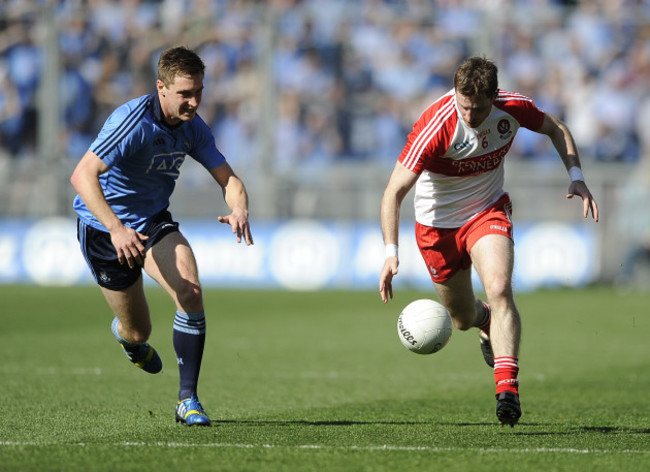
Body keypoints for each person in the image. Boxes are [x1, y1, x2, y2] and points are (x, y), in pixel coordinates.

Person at [378, 56, 599, 427]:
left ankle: (507, 390)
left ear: (493, 98)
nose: (470, 114)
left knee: (499, 288)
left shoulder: (512, 107)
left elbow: (556, 128)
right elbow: (392, 193)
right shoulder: (436, 125)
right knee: (461, 319)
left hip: (486, 211)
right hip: (437, 227)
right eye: (464, 105)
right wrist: (390, 253)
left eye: (478, 108)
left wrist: (576, 174)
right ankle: (484, 322)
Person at [70, 46, 254, 427]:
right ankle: (129, 341)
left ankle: (188, 400)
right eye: (185, 93)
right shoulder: (131, 120)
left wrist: (239, 207)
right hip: (105, 229)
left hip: (152, 222)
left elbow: (229, 179)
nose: (194, 101)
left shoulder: (194, 128)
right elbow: (83, 176)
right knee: (139, 330)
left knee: (191, 291)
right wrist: (116, 229)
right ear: (161, 88)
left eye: (199, 91)